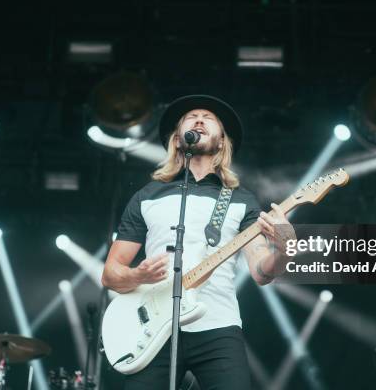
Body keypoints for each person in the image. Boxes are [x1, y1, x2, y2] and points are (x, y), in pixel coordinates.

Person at [101, 95, 296, 390]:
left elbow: (262, 272)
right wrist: (136, 276)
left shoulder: (241, 200)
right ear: (178, 139)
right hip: (154, 331)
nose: (200, 119)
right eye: (192, 117)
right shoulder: (148, 196)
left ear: (221, 142)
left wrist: (284, 248)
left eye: (209, 118)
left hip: (218, 326)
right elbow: (110, 274)